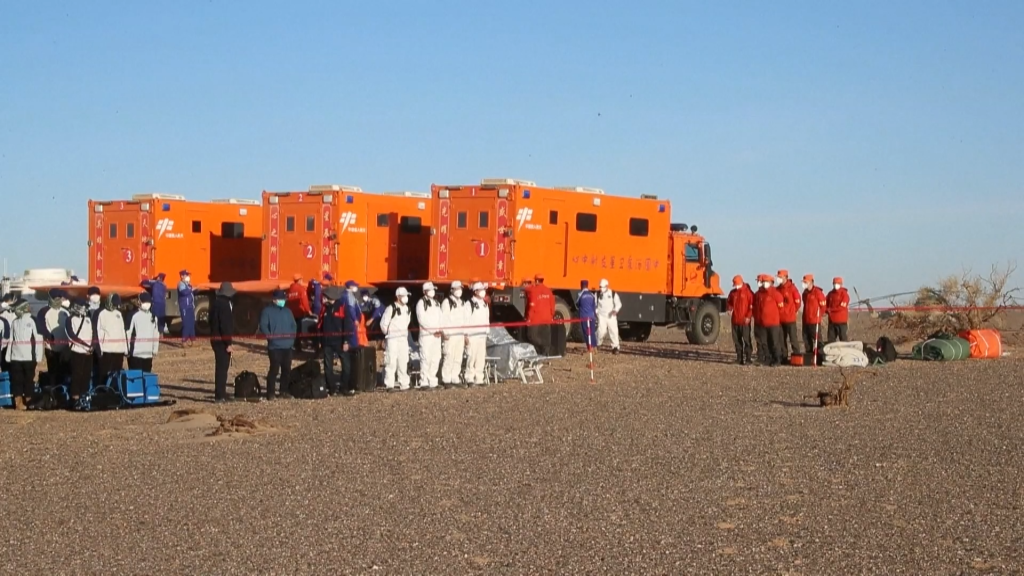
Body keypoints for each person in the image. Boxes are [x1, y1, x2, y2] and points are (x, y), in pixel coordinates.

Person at [5, 299, 43, 410]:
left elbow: (38, 339)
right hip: (16, 357)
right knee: (17, 380)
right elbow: (10, 340)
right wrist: (8, 355)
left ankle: (29, 402)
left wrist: (38, 355)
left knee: (28, 380)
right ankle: (18, 403)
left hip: (29, 357)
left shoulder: (33, 320)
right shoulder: (15, 322)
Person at [259, 289, 297, 401]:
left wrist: (292, 339)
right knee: (274, 370)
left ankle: (283, 391)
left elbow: (293, 325)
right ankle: (270, 393)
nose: (283, 301)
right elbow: (263, 326)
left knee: (286, 370)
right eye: (281, 299)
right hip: (274, 347)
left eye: (284, 299)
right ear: (274, 300)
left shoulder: (288, 311)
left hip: (287, 346)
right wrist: (270, 337)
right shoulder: (267, 311)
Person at [321, 285, 351, 396]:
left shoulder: (342, 307)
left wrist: (346, 341)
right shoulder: (325, 308)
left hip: (340, 341)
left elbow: (347, 325)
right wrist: (321, 340)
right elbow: (321, 325)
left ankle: (344, 388)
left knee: (346, 365)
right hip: (327, 342)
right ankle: (332, 388)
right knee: (328, 367)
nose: (323, 298)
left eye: (325, 296)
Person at [209, 282, 236, 402]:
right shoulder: (225, 305)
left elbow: (210, 321)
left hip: (215, 338)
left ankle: (220, 394)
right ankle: (220, 395)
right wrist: (228, 343)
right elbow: (225, 326)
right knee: (222, 369)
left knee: (220, 367)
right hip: (222, 340)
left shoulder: (215, 303)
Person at [381, 286, 411, 392]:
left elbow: (407, 323)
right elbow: (383, 324)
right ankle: (389, 384)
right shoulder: (391, 308)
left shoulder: (407, 309)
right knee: (391, 361)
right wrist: (388, 335)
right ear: (398, 297)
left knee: (403, 361)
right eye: (404, 296)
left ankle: (404, 383)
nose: (406, 298)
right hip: (393, 339)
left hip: (403, 339)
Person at [65, 299, 95, 404]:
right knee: (76, 375)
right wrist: (86, 346)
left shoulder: (88, 319)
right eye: (83, 306)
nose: (85, 309)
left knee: (86, 375)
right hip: (76, 352)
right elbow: (71, 336)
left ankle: (84, 396)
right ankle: (75, 398)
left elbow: (92, 334)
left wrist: (92, 346)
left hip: (88, 352)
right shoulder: (70, 319)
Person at [440, 280, 469, 388]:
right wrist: (445, 332)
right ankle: (446, 379)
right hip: (450, 335)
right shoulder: (447, 302)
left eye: (460, 288)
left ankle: (455, 378)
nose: (459, 291)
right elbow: (443, 319)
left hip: (459, 334)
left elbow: (465, 319)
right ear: (451, 290)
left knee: (458, 357)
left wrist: (465, 334)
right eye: (457, 289)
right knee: (449, 356)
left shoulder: (461, 302)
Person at [415, 282, 444, 390]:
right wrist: (433, 331)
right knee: (426, 358)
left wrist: (440, 330)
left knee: (436, 358)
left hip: (437, 336)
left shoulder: (436, 303)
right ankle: (424, 382)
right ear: (424, 291)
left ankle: (433, 381)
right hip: (426, 335)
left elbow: (440, 318)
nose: (432, 291)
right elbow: (422, 320)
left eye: (433, 289)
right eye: (430, 290)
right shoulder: (421, 303)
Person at [39, 289, 70, 387]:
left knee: (64, 371)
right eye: (56, 298)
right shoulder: (43, 311)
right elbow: (41, 327)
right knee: (53, 371)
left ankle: (63, 392)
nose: (58, 300)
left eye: (59, 298)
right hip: (51, 348)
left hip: (65, 348)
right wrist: (49, 336)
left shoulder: (65, 312)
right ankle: (53, 391)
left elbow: (69, 327)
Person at [753, 274, 785, 366]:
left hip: (773, 323)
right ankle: (767, 359)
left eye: (766, 282)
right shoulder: (759, 294)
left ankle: (777, 360)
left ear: (771, 283)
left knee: (775, 342)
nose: (764, 284)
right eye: (763, 282)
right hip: (762, 323)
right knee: (764, 343)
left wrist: (774, 317)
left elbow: (781, 309)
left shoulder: (776, 294)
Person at [96, 293, 129, 383]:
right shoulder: (101, 314)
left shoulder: (118, 314)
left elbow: (122, 331)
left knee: (116, 374)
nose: (115, 306)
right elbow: (98, 332)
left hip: (119, 350)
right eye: (113, 303)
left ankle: (114, 391)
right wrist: (99, 349)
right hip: (107, 350)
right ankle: (102, 391)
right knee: (104, 373)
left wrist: (125, 348)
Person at [464, 282, 491, 387]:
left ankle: (479, 378)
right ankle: (469, 378)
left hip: (482, 335)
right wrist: (465, 334)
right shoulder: (469, 304)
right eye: (480, 290)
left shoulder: (484, 304)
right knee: (471, 357)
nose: (483, 292)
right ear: (475, 291)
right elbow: (466, 320)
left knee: (480, 358)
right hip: (472, 335)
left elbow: (486, 319)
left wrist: (487, 331)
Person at [127, 292, 160, 372]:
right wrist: (127, 349)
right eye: (144, 302)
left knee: (146, 376)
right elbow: (128, 333)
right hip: (136, 353)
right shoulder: (134, 315)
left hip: (148, 353)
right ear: (139, 302)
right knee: (135, 377)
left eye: (148, 302)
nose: (147, 304)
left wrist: (155, 349)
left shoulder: (153, 317)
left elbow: (156, 334)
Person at [726, 275, 755, 365]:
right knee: (737, 340)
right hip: (735, 320)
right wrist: (729, 309)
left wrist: (748, 316)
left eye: (737, 284)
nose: (736, 286)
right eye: (734, 284)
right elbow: (729, 302)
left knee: (746, 340)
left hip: (744, 321)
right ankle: (739, 358)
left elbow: (752, 306)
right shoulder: (732, 293)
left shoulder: (748, 293)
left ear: (741, 283)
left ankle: (748, 359)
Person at [525, 274, 555, 356]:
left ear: (537, 281)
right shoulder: (548, 291)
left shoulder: (534, 291)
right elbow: (552, 305)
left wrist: (529, 318)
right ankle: (545, 351)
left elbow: (532, 305)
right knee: (545, 336)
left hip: (536, 318)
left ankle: (541, 348)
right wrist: (551, 315)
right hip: (547, 318)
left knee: (531, 336)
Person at [776, 270, 804, 359]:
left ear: (786, 277)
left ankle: (796, 356)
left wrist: (792, 311)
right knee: (781, 339)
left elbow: (798, 303)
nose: (779, 279)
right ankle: (783, 357)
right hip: (780, 319)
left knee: (793, 339)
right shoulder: (777, 289)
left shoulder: (792, 289)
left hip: (790, 319)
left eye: (780, 277)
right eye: (778, 277)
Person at [801, 274, 828, 357]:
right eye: (803, 282)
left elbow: (823, 307)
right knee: (806, 339)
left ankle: (821, 356)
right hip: (806, 320)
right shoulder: (805, 293)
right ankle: (809, 356)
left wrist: (818, 316)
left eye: (806, 282)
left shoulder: (818, 293)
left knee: (817, 340)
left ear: (811, 282)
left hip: (814, 321)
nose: (804, 284)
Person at [595, 279, 622, 354]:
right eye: (600, 287)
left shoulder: (613, 293)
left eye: (602, 287)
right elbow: (594, 305)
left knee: (613, 331)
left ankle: (615, 347)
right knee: (601, 331)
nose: (601, 288)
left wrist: (615, 310)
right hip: (601, 316)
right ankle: (598, 344)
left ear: (607, 286)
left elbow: (619, 304)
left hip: (611, 316)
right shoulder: (597, 294)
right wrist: (596, 312)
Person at [826, 277, 851, 343]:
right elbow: (826, 303)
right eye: (834, 283)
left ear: (841, 284)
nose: (835, 285)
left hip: (841, 321)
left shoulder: (844, 294)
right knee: (831, 340)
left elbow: (842, 307)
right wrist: (825, 310)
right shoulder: (830, 294)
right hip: (832, 321)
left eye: (837, 283)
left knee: (843, 339)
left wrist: (831, 310)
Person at [576, 280, 598, 353]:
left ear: (581, 286)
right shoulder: (592, 295)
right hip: (592, 316)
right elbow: (594, 305)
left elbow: (577, 304)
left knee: (586, 332)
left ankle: (589, 348)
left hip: (584, 316)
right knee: (592, 332)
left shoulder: (580, 294)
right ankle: (595, 347)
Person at [177, 270, 197, 346]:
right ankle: (184, 341)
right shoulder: (181, 284)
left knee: (191, 323)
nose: (188, 276)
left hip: (190, 306)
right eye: (186, 275)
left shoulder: (188, 285)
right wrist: (191, 289)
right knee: (186, 323)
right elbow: (184, 292)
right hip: (184, 306)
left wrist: (194, 288)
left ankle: (193, 340)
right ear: (182, 276)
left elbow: (191, 292)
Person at [0, 292, 16, 373]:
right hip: (5, 345)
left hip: (15, 344)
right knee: (5, 366)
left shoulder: (16, 313)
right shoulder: (2, 314)